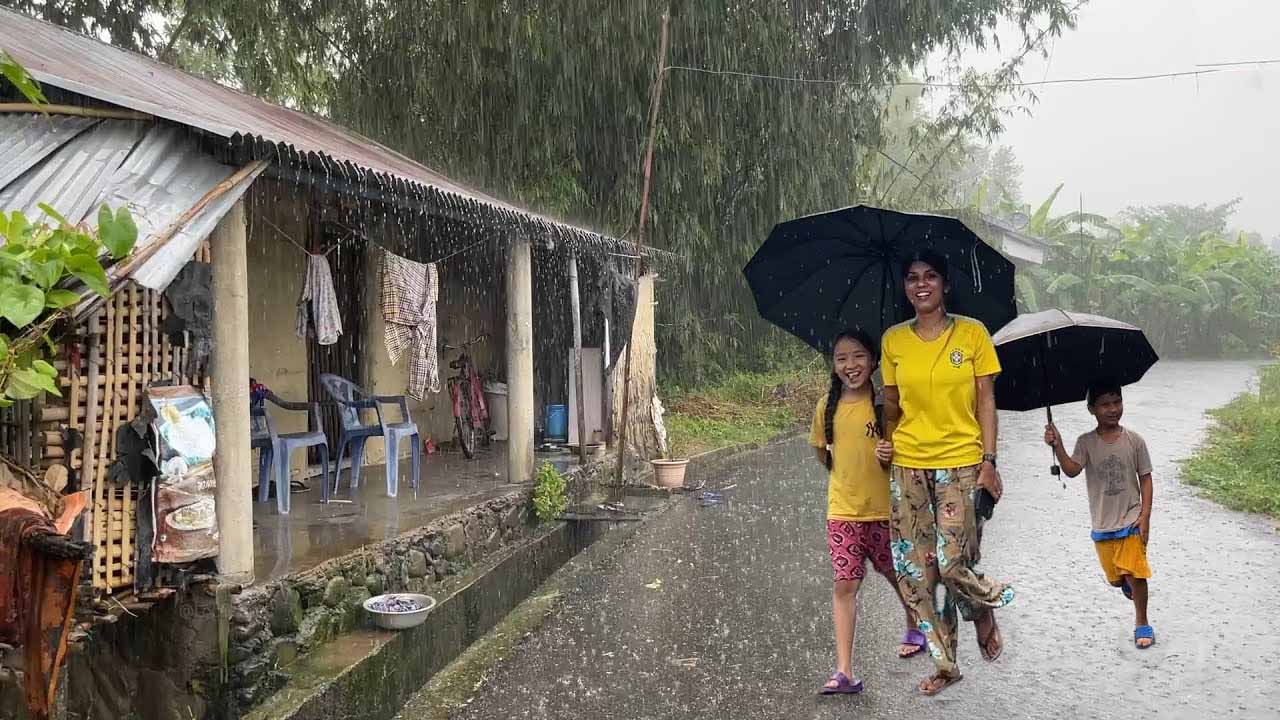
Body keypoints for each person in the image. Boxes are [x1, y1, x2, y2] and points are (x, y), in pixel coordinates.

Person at [880, 249, 1015, 696]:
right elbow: (894, 405)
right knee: (917, 572)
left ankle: (985, 605)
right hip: (908, 466)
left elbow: (986, 402)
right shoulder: (894, 340)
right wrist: (885, 434)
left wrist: (990, 462)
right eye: (912, 277)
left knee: (954, 561)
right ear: (905, 287)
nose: (921, 284)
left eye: (931, 276)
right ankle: (946, 664)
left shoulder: (973, 334)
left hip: (961, 462)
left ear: (945, 284)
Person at [810, 328, 927, 695]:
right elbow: (821, 451)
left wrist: (890, 453)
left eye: (859, 356)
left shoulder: (886, 407)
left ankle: (915, 625)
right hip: (843, 512)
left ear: (874, 361)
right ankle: (844, 670)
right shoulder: (825, 407)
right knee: (845, 584)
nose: (851, 365)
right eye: (842, 358)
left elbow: (907, 451)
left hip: (884, 512)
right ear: (834, 365)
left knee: (899, 575)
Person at [1044, 380, 1155, 649]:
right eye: (1105, 404)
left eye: (1117, 402)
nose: (1113, 409)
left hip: (1131, 517)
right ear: (1091, 409)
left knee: (1137, 573)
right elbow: (1071, 469)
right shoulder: (1086, 442)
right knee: (1116, 578)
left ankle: (1142, 622)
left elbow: (1146, 478)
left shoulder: (1134, 441)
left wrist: (1145, 516)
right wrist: (1057, 445)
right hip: (1103, 523)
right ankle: (1125, 582)